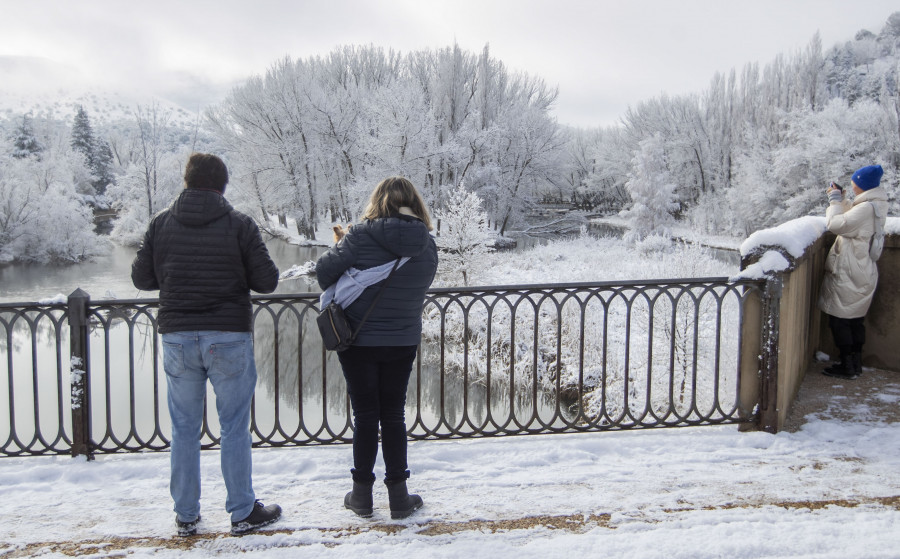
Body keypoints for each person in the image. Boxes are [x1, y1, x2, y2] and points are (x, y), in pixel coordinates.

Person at [131, 153, 282, 537]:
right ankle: (242, 511)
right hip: (228, 336)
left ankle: (185, 514)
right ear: (222, 185)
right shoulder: (240, 225)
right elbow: (267, 281)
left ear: (187, 181)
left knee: (183, 428)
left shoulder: (161, 223)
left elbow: (141, 279)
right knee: (233, 427)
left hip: (178, 336)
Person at [316, 177, 438, 519]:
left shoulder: (360, 236)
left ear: (378, 201)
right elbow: (421, 283)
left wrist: (343, 250)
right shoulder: (426, 244)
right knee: (394, 415)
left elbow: (323, 274)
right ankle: (399, 496)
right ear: (414, 203)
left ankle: (362, 496)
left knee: (366, 416)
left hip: (358, 340)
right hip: (402, 339)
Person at [818, 164, 889, 380]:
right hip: (863, 268)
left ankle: (847, 366)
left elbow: (837, 224)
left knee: (840, 320)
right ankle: (855, 363)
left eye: (854, 183)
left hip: (851, 271)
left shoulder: (867, 208)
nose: (853, 185)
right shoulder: (874, 205)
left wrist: (834, 201)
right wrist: (843, 201)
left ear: (863, 185)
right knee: (855, 320)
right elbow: (854, 219)